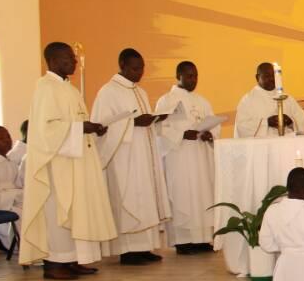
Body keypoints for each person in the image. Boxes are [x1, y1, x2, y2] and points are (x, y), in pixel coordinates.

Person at [20, 42, 117, 280]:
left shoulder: (69, 89)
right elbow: (45, 130)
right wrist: (80, 127)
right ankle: (54, 264)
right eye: (68, 58)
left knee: (75, 211)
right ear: (52, 60)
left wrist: (90, 128)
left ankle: (72, 259)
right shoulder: (45, 88)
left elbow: (73, 123)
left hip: (74, 160)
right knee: (58, 212)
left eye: (73, 58)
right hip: (56, 164)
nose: (74, 62)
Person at [91, 48, 171, 265]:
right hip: (124, 157)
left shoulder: (140, 92)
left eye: (142, 68)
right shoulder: (108, 92)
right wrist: (133, 123)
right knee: (130, 200)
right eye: (135, 68)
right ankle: (128, 251)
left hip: (143, 155)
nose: (140, 72)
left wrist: (154, 120)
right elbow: (102, 126)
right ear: (123, 66)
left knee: (144, 198)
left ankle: (144, 246)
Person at [155, 61, 218, 255]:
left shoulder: (202, 101)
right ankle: (183, 241)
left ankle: (202, 239)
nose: (193, 80)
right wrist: (182, 135)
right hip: (179, 156)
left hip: (200, 155)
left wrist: (210, 134)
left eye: (196, 76)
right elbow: (159, 129)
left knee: (202, 194)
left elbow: (213, 123)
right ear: (178, 76)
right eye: (189, 76)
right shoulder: (166, 101)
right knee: (183, 195)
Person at [234, 62, 304, 137]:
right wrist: (266, 122)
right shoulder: (248, 100)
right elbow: (242, 126)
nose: (271, 79)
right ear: (257, 77)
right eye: (267, 76)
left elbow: (302, 119)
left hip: (285, 144)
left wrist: (290, 121)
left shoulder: (287, 98)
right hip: (262, 146)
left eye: (273, 75)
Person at [0, 126, 22, 247]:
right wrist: (17, 194)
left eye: (8, 136)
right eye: (1, 138)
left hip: (13, 199)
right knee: (23, 213)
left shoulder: (11, 161)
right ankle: (21, 247)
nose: (7, 140)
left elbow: (18, 184)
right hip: (2, 204)